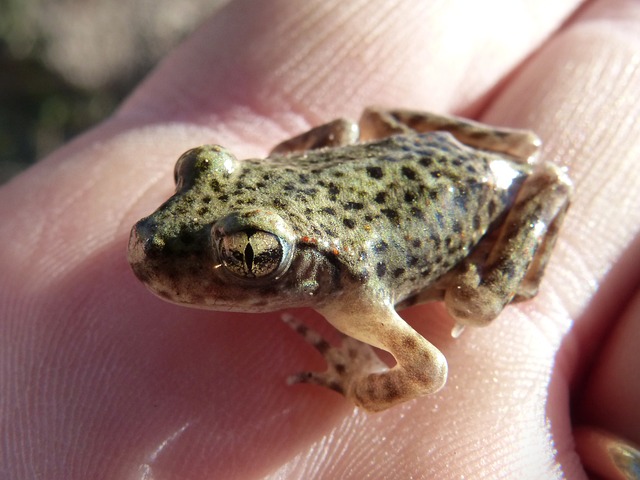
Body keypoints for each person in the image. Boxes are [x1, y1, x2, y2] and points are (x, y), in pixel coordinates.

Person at [1, 2, 638, 478]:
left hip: (487, 199)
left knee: (476, 302)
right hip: (425, 157)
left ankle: (507, 263)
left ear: (304, 269)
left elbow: (426, 368)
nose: (154, 236)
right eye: (197, 173)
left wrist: (356, 379)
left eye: (250, 257)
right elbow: (336, 128)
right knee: (376, 123)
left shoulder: (352, 292)